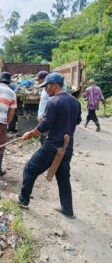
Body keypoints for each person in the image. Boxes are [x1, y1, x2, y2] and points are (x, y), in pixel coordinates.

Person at [12, 72, 81, 219]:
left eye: (46, 86)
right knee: (63, 177)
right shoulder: (75, 102)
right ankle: (68, 210)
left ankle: (23, 200)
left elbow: (44, 126)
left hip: (53, 146)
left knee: (30, 169)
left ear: (54, 85)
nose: (45, 89)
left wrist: (30, 134)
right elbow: (77, 121)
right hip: (67, 146)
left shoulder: (54, 102)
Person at [36, 70, 50, 145]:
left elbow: (52, 105)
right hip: (42, 118)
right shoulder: (44, 89)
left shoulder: (49, 90)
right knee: (42, 139)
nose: (37, 81)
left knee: (45, 139)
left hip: (46, 119)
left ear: (44, 79)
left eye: (38, 79)